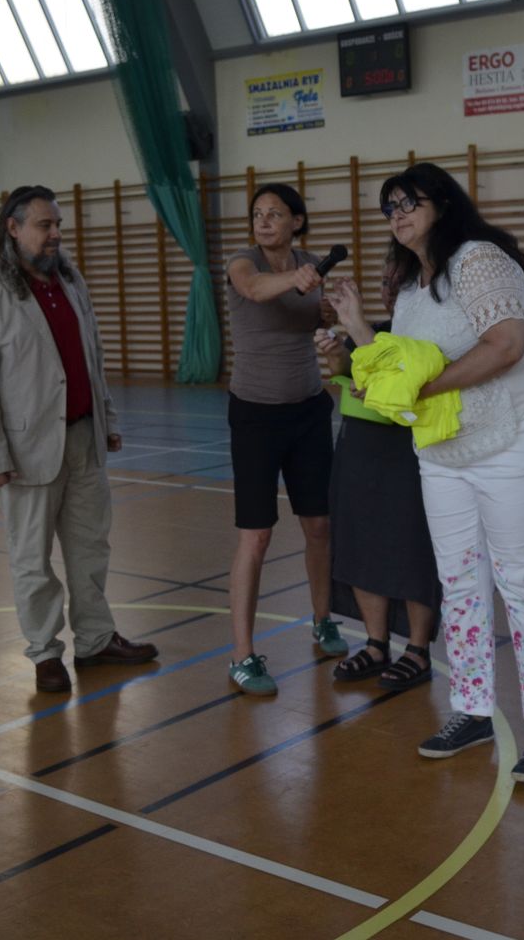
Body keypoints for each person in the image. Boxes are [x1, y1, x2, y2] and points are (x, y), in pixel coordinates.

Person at [380, 162, 524, 783]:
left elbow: (506, 345)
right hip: (444, 451)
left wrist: (426, 388)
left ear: (442, 204)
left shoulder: (478, 260)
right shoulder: (411, 286)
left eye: (408, 202)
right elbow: (405, 365)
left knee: (522, 579)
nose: (398, 215)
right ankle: (471, 710)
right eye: (389, 207)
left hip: (516, 436)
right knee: (460, 582)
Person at [0, 185, 158, 694]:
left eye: (57, 225)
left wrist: (107, 418)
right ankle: (45, 652)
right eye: (44, 226)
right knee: (32, 558)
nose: (55, 235)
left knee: (91, 549)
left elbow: (93, 356)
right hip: (26, 451)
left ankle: (95, 640)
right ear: (13, 228)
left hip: (84, 437)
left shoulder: (69, 279)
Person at [223, 183, 347, 696]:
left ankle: (323, 619)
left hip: (309, 412)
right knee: (256, 536)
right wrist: (294, 280)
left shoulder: (312, 265)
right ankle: (242, 655)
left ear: (297, 221)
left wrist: (326, 314)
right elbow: (255, 290)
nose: (264, 221)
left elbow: (316, 317)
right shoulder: (243, 263)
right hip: (255, 416)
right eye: (258, 213)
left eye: (275, 213)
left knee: (319, 525)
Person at [318, 255, 441, 690]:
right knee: (360, 543)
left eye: (399, 282)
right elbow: (345, 374)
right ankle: (375, 644)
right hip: (358, 449)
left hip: (407, 453)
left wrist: (356, 341)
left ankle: (418, 650)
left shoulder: (428, 336)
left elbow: (399, 383)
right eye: (385, 282)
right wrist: (336, 356)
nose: (390, 289)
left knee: (411, 546)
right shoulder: (373, 331)